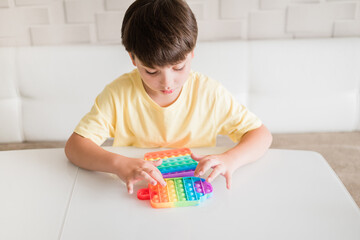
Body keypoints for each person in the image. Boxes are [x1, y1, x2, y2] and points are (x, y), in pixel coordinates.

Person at [65, 0, 272, 194]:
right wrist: (120, 164)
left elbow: (261, 135)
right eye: (152, 72)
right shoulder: (118, 95)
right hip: (137, 191)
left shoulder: (209, 93)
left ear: (191, 54)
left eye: (178, 67)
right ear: (133, 59)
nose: (167, 82)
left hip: (194, 189)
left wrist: (230, 159)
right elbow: (75, 147)